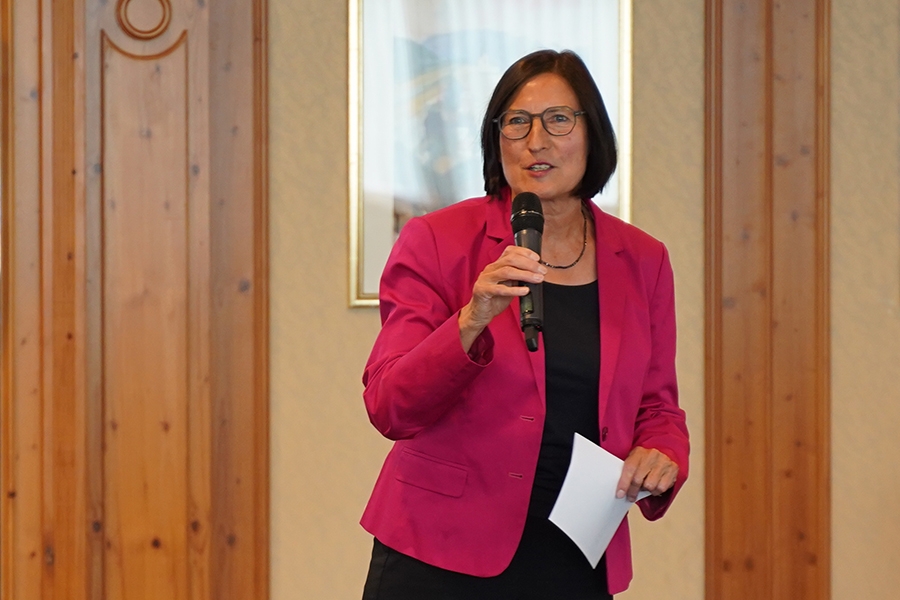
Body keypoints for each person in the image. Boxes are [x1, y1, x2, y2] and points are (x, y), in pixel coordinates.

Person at [359, 49, 690, 599]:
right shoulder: (438, 240)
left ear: (593, 134)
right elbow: (389, 403)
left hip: (574, 555)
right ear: (497, 140)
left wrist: (663, 452)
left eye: (559, 119)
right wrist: (471, 320)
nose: (537, 141)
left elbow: (657, 407)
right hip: (439, 555)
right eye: (517, 122)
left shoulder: (643, 259)